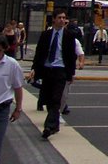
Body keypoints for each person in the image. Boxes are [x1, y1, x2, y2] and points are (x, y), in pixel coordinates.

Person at [27, 10, 79, 139]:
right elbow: (39, 53)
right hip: (47, 70)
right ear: (54, 19)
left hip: (60, 70)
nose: (62, 20)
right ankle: (54, 126)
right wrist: (34, 69)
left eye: (64, 18)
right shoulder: (46, 35)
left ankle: (49, 127)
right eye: (60, 17)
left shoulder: (69, 35)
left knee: (56, 98)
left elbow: (71, 56)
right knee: (49, 99)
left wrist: (71, 73)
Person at [0, 34, 25, 164]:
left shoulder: (12, 64)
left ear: (5, 49)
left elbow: (18, 88)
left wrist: (18, 109)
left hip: (1, 109)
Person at [59, 35, 85, 116]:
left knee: (64, 94)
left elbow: (80, 53)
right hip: (53, 69)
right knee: (53, 93)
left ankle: (58, 112)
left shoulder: (74, 41)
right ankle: (54, 113)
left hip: (66, 69)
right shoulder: (52, 37)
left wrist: (81, 63)